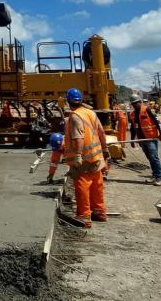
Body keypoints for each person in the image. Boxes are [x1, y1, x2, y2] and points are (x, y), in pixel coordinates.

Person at [64, 88, 109, 228]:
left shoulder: (75, 116)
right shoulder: (91, 113)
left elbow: (78, 138)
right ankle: (99, 212)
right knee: (97, 184)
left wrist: (77, 156)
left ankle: (84, 216)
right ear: (81, 100)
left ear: (68, 101)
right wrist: (105, 149)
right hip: (96, 156)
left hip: (84, 158)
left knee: (82, 186)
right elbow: (101, 132)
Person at [129, 95, 161, 186]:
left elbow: (156, 121)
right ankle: (154, 175)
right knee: (149, 158)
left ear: (140, 102)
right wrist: (132, 140)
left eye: (136, 103)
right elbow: (133, 128)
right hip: (141, 139)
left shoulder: (147, 110)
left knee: (154, 157)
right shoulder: (132, 114)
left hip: (150, 138)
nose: (135, 105)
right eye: (133, 104)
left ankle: (159, 177)